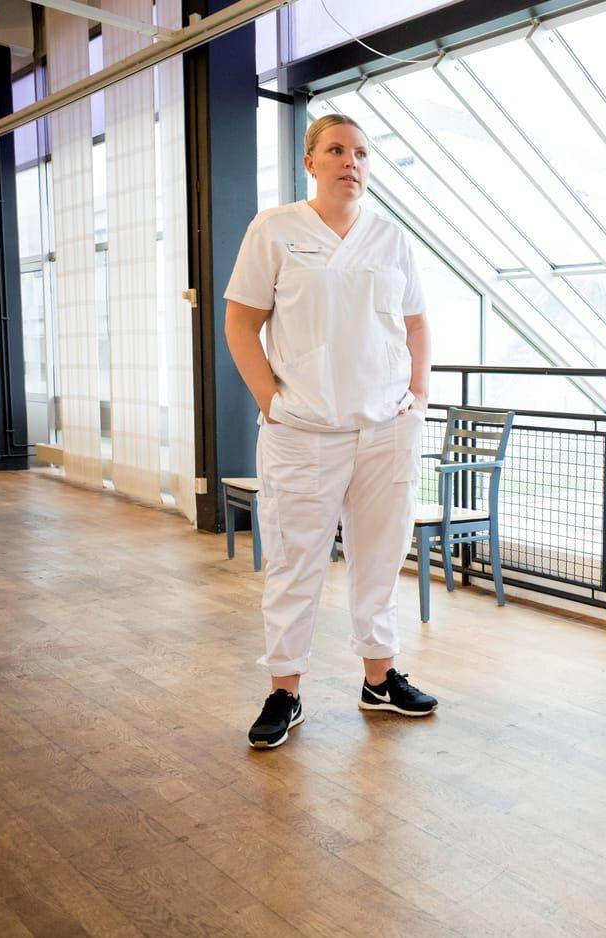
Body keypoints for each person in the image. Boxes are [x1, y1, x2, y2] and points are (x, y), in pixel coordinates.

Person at [224, 113, 439, 749]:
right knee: (295, 561)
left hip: (385, 430)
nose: (352, 162)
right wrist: (272, 401)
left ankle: (380, 678)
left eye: (363, 153)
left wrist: (417, 395)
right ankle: (284, 691)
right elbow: (240, 325)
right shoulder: (276, 230)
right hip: (304, 430)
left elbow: (418, 324)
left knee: (380, 556)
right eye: (337, 150)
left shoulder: (390, 236)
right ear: (310, 161)